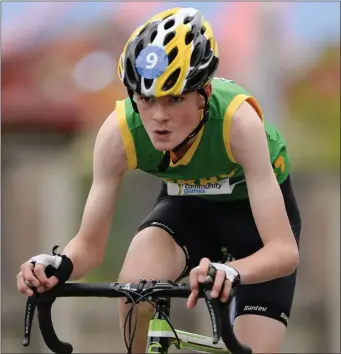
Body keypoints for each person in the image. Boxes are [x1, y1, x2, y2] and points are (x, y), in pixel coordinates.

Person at [16, 7, 301, 353]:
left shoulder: (238, 124)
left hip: (253, 226)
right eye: (147, 100)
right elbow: (88, 247)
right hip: (187, 210)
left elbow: (284, 251)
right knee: (135, 285)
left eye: (175, 98)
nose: (159, 117)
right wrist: (54, 266)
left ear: (204, 94)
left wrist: (233, 272)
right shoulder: (118, 134)